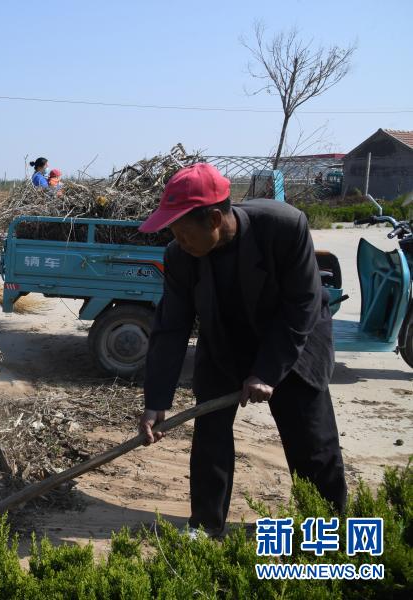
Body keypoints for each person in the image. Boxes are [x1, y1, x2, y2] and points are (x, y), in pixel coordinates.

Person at [137, 163, 346, 538]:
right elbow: (170, 328)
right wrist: (156, 400)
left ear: (215, 218)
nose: (178, 240)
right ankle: (205, 526)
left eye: (184, 232)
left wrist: (267, 370)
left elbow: (302, 303)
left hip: (294, 340)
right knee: (210, 436)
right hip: (225, 342)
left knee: (310, 440)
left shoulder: (283, 227)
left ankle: (328, 529)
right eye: (174, 232)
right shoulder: (180, 255)